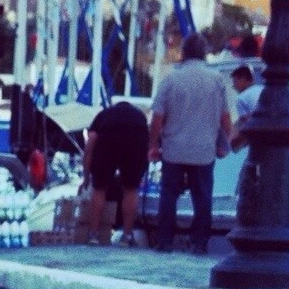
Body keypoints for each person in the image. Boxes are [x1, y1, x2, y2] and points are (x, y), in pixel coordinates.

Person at [147, 32, 233, 253]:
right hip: (204, 150)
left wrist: (153, 145)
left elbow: (157, 117)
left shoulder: (171, 79)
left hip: (174, 149)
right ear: (204, 53)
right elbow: (224, 117)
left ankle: (165, 241)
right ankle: (199, 242)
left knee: (169, 195)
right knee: (202, 198)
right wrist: (228, 142)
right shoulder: (216, 80)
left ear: (183, 53)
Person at [80, 99, 149, 246]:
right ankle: (127, 236)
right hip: (136, 139)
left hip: (107, 140)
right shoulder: (139, 116)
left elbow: (90, 144)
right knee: (130, 189)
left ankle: (93, 236)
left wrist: (86, 177)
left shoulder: (104, 115)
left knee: (100, 189)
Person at [229, 63, 263, 149]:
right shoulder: (262, 89)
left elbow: (248, 124)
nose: (234, 86)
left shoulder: (241, 98)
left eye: (235, 82)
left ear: (243, 79)